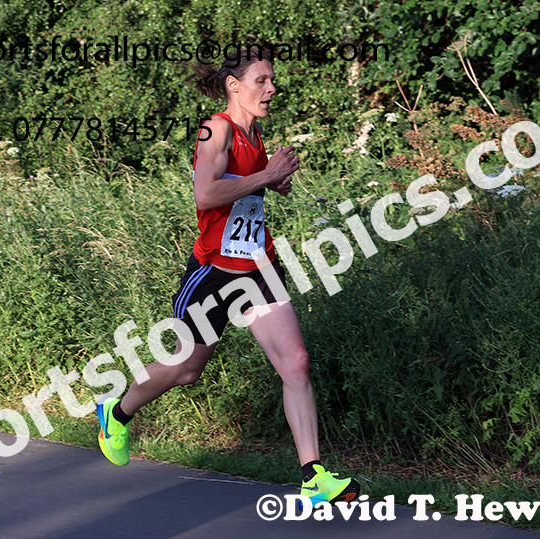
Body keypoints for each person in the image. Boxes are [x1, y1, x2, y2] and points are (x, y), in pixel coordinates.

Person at [96, 47, 359, 506]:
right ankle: (115, 412)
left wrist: (274, 179)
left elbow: (246, 193)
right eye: (262, 80)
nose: (272, 88)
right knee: (187, 370)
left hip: (259, 266)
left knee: (295, 362)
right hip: (214, 273)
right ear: (234, 86)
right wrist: (265, 175)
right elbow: (205, 195)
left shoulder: (254, 132)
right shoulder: (214, 129)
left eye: (272, 80)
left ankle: (314, 476)